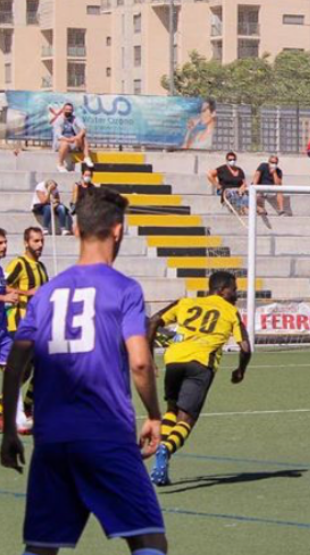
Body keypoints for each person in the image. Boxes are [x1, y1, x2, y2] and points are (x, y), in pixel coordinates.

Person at [0, 187, 168, 555]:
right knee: (148, 538)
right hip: (106, 433)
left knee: (41, 547)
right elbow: (140, 361)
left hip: (52, 438)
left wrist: (9, 430)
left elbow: (15, 365)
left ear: (75, 230)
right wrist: (155, 415)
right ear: (119, 230)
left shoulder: (45, 295)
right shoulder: (124, 289)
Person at [146, 271, 252, 486]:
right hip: (201, 365)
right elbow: (245, 347)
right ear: (222, 290)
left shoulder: (185, 302)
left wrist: (149, 357)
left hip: (174, 360)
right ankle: (166, 449)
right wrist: (241, 370)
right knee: (186, 420)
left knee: (172, 410)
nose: (237, 293)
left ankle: (162, 460)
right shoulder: (231, 311)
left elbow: (154, 321)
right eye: (234, 288)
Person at [4, 227, 48, 433]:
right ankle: (12, 409)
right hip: (19, 326)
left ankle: (24, 407)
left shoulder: (41, 267)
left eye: (41, 241)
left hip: (38, 327)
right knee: (21, 369)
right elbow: (4, 287)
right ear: (26, 243)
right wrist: (26, 292)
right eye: (36, 241)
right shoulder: (18, 264)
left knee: (38, 368)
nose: (40, 245)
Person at [0, 229, 25, 432]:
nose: (4, 246)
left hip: (2, 331)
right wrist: (4, 298)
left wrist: (12, 291)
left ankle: (18, 417)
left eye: (5, 242)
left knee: (13, 370)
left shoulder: (0, 269)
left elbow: (3, 288)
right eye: (0, 243)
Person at [49, 102, 92, 172]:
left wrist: (77, 137)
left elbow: (83, 128)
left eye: (70, 110)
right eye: (67, 109)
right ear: (63, 110)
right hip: (61, 143)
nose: (69, 111)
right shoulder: (58, 120)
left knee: (83, 137)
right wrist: (69, 140)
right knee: (65, 143)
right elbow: (59, 136)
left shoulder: (75, 118)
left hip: (73, 141)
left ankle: (87, 157)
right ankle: (60, 164)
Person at [207, 151, 249, 216]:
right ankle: (243, 209)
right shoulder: (222, 169)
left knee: (247, 197)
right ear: (227, 160)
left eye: (234, 159)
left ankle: (252, 209)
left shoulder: (239, 170)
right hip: (227, 191)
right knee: (234, 195)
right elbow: (209, 175)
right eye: (230, 159)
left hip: (238, 191)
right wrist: (218, 186)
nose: (232, 161)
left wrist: (241, 188)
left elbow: (244, 183)